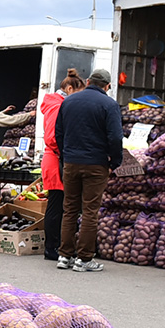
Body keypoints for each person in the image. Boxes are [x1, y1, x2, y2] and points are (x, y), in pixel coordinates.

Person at [55, 69, 122, 272]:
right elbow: (116, 137)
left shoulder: (69, 101)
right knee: (90, 211)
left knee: (69, 209)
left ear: (87, 81)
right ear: (107, 86)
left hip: (71, 162)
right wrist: (115, 161)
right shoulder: (109, 104)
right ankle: (84, 259)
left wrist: (65, 156)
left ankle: (64, 255)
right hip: (96, 163)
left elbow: (59, 132)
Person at [38, 69, 85, 261]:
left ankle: (57, 246)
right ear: (69, 88)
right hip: (56, 159)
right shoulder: (56, 106)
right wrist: (66, 154)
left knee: (61, 204)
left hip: (58, 158)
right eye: (78, 93)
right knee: (57, 204)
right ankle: (51, 248)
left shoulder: (58, 104)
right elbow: (51, 137)